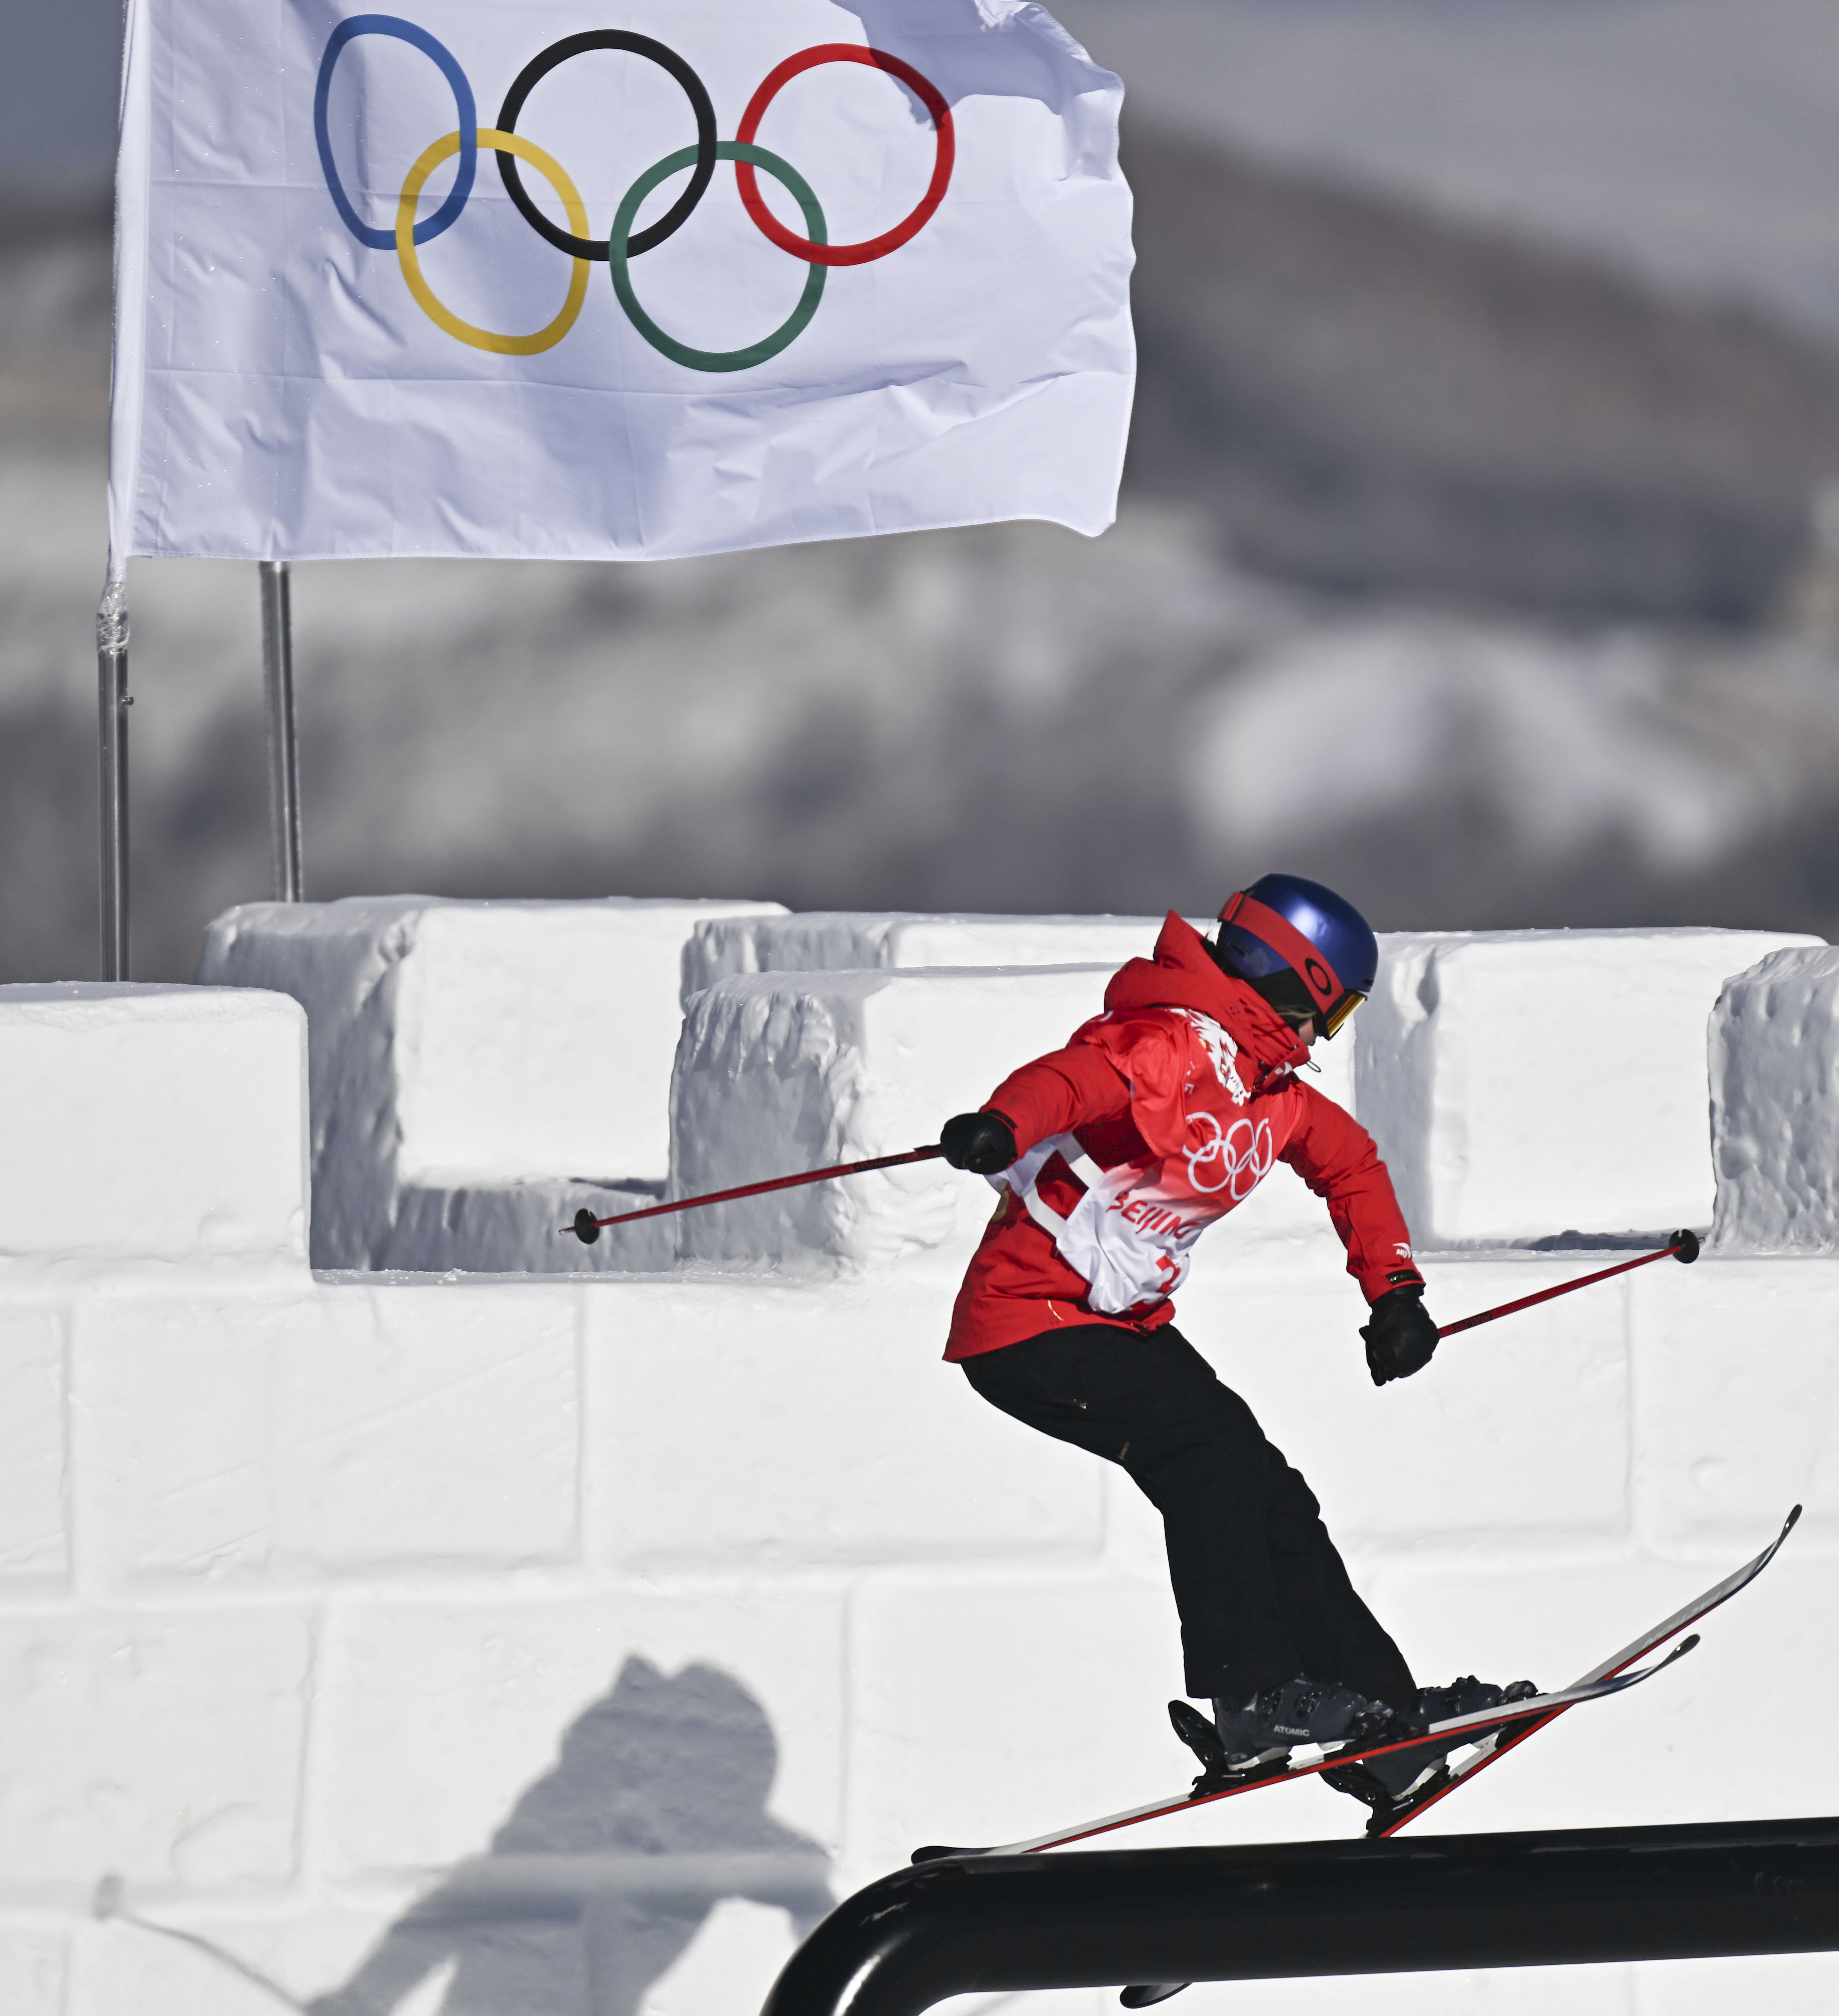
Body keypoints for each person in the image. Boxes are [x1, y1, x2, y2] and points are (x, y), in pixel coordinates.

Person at [936, 874, 1528, 1820]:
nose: (1323, 1038)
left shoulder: (1273, 1097)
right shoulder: (1170, 1044)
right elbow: (1075, 1078)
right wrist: (1006, 1124)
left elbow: (1353, 1167)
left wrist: (1396, 1292)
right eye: (1331, 1014)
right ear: (1300, 982)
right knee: (1206, 1450)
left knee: (1268, 1488)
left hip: (1117, 1326)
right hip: (1027, 1323)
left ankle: (1390, 1725)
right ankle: (1252, 1700)